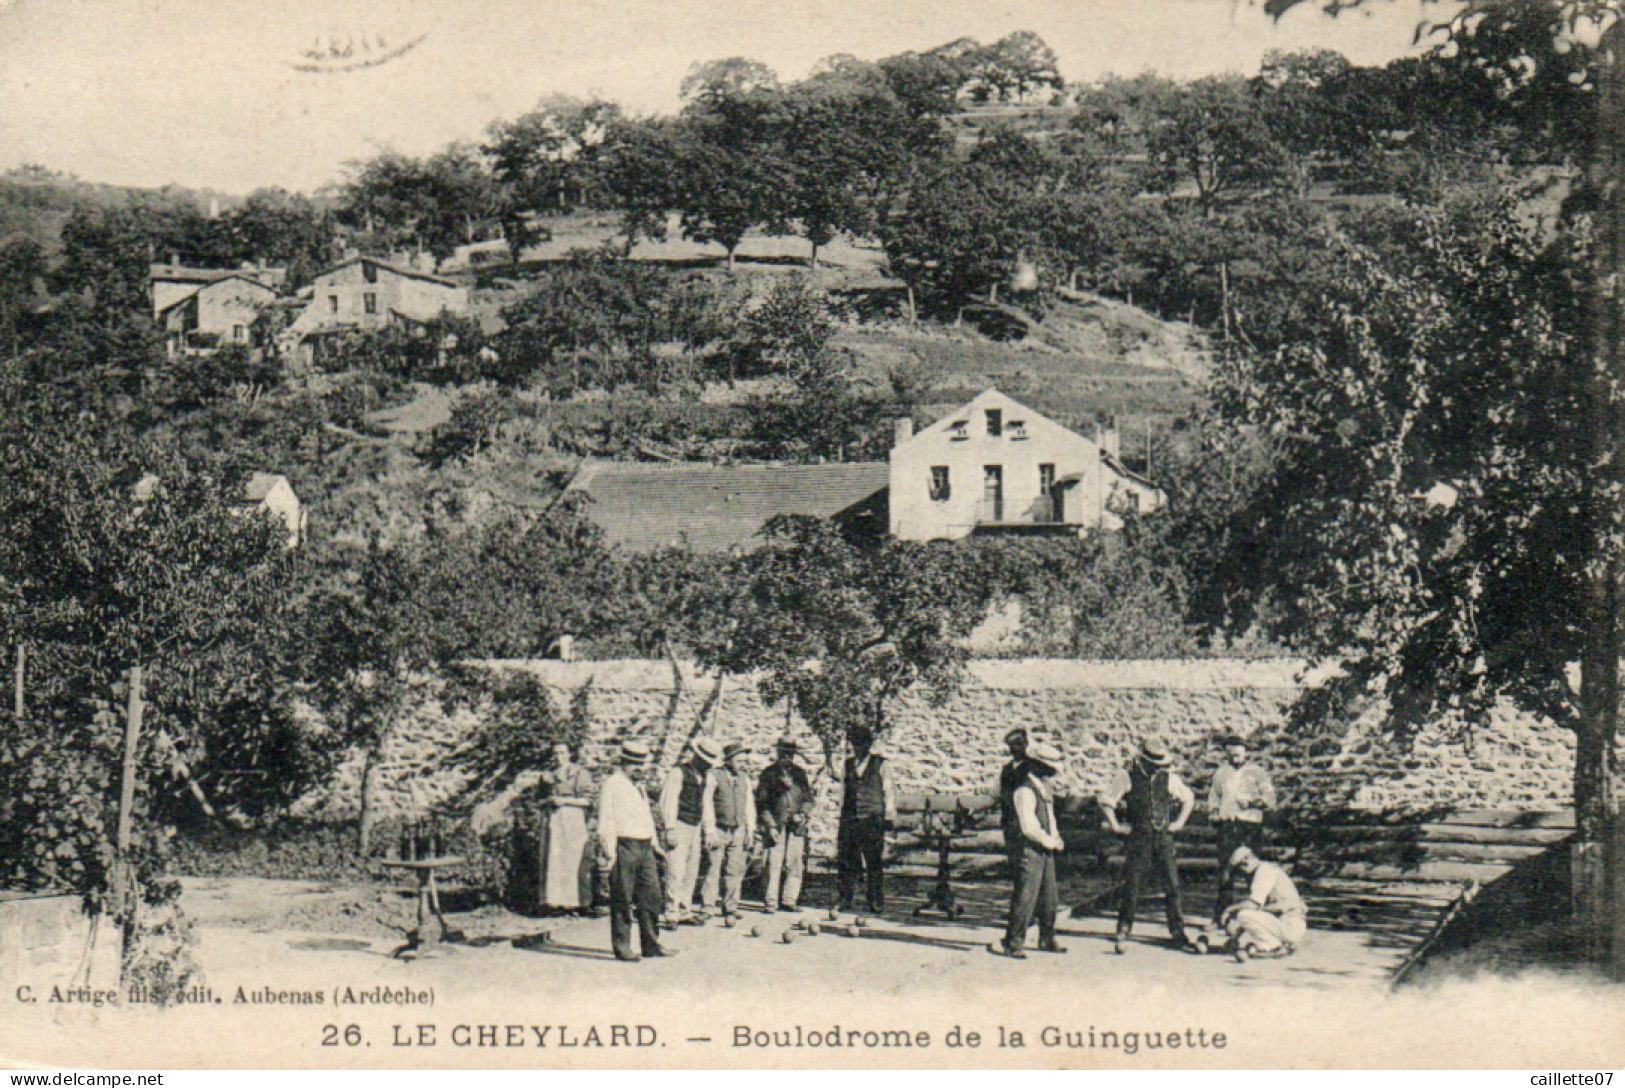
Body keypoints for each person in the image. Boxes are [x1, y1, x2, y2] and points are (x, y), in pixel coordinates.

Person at [1099, 737, 1196, 954]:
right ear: (1143, 760)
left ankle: (1177, 931)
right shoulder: (1126, 776)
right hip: (1139, 837)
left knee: (1172, 885)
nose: (1157, 768)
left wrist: (1178, 823)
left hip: (1163, 837)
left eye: (1160, 764)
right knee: (1131, 884)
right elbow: (1106, 800)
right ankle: (1124, 927)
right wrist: (1115, 824)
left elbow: (1189, 798)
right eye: (1153, 764)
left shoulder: (1169, 778)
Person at [595, 740, 677, 962]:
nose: (639, 768)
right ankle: (622, 947)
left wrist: (655, 845)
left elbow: (646, 818)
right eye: (634, 764)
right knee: (622, 897)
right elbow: (605, 822)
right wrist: (610, 852)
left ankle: (651, 944)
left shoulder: (638, 785)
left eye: (641, 764)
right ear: (623, 763)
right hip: (624, 846)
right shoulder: (612, 784)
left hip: (645, 847)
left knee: (652, 897)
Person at [1000, 742, 1067, 959]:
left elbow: (1049, 817)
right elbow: (1029, 827)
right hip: (1029, 849)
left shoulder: (1041, 788)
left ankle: (1047, 937)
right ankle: (1014, 942)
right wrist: (1050, 841)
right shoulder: (1024, 790)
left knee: (1050, 897)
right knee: (1026, 896)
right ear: (1037, 767)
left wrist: (1055, 837)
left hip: (1045, 848)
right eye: (1049, 768)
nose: (1053, 773)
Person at [1207, 734, 1277, 927]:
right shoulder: (1221, 773)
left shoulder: (1257, 773)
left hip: (1250, 827)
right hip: (1228, 827)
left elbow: (1270, 800)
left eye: (1238, 754)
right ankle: (1221, 917)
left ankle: (1256, 917)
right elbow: (1214, 798)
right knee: (1225, 873)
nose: (1234, 758)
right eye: (1231, 754)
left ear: (1246, 753)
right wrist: (1214, 813)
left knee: (1252, 872)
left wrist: (1252, 803)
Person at [658, 737, 720, 926]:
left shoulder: (708, 777)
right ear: (697, 756)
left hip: (695, 826)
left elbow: (707, 804)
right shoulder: (678, 773)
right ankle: (671, 912)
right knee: (675, 869)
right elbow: (668, 801)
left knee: (692, 869)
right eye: (705, 761)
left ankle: (684, 909)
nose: (708, 765)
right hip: (679, 824)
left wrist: (709, 830)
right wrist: (669, 828)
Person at [837, 725, 895, 914]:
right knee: (847, 861)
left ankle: (875, 899)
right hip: (851, 819)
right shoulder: (848, 765)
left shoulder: (881, 764)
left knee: (873, 861)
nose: (857, 748)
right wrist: (842, 816)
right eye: (855, 744)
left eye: (861, 744)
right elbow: (843, 793)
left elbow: (889, 792)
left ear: (868, 745)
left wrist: (888, 817)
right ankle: (845, 898)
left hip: (872, 820)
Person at [536, 740, 595, 914]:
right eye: (555, 754)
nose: (559, 757)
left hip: (573, 819)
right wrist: (549, 801)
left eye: (562, 753)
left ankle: (579, 903)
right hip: (554, 820)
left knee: (575, 859)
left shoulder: (579, 774)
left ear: (570, 754)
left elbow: (588, 800)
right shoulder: (547, 777)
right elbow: (538, 800)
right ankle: (555, 903)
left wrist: (566, 801)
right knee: (555, 860)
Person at [701, 741, 757, 923]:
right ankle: (707, 907)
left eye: (744, 760)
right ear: (729, 760)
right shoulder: (714, 776)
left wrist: (750, 829)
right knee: (713, 868)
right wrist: (709, 830)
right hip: (719, 828)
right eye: (739, 760)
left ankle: (730, 906)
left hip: (738, 830)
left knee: (735, 870)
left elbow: (749, 805)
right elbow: (707, 803)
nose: (743, 764)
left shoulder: (744, 779)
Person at [756, 737, 813, 912]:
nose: (786, 757)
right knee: (772, 863)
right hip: (776, 826)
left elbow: (808, 799)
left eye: (790, 753)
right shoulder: (768, 775)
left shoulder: (800, 774)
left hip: (796, 827)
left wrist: (803, 813)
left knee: (795, 863)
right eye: (783, 753)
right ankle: (771, 901)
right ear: (777, 753)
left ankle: (789, 900)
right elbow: (762, 804)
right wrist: (771, 826)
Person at [1221, 846, 1306, 960]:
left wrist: (1228, 910)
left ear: (1246, 861)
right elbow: (1259, 911)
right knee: (1245, 914)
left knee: (1243, 915)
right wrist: (1235, 938)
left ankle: (1272, 946)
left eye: (1239, 870)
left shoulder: (1264, 871)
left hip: (1290, 923)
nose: (1240, 876)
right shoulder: (1264, 869)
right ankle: (1282, 945)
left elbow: (1253, 905)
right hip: (1288, 922)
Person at [997, 728, 1030, 883]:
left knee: (1028, 862)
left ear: (1026, 744)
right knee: (1014, 861)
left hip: (1027, 821)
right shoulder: (1007, 769)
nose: (1016, 748)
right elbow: (1001, 793)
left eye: (1019, 744)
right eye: (1012, 745)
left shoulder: (1032, 767)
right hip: (1010, 821)